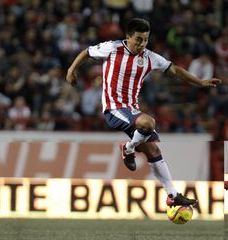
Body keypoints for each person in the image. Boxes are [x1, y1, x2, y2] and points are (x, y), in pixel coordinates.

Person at [66, 18, 221, 206]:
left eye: (146, 40)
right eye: (138, 39)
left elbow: (175, 70)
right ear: (128, 36)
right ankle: (129, 148)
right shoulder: (113, 48)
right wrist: (71, 71)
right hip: (114, 108)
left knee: (153, 149)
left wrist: (201, 82)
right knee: (148, 122)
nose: (142, 44)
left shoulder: (150, 57)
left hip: (131, 110)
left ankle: (173, 195)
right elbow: (86, 52)